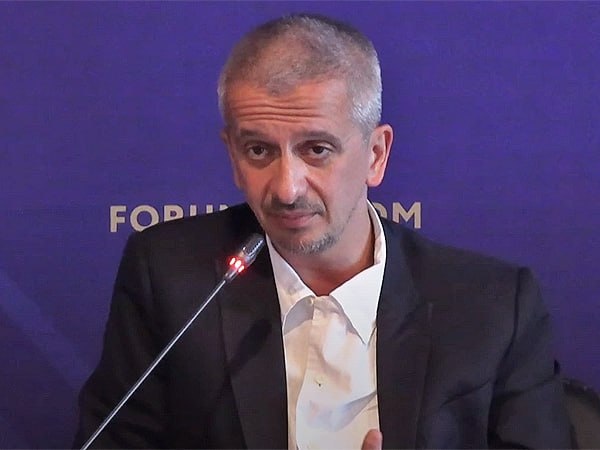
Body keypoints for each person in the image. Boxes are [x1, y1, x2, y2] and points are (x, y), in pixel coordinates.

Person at [74, 13, 573, 449]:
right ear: (232, 154)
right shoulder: (169, 276)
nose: (287, 188)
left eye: (317, 150)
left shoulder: (493, 307)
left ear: (375, 155)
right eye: (259, 151)